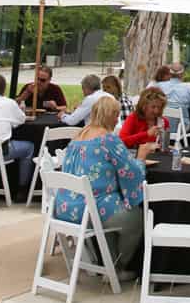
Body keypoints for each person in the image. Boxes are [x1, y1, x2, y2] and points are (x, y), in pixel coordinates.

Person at [55, 96, 148, 281]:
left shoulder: (77, 138)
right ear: (111, 114)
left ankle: (109, 265)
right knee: (135, 218)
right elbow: (131, 172)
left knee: (115, 209)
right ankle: (118, 268)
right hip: (90, 209)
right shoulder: (107, 141)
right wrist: (142, 157)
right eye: (116, 116)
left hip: (66, 206)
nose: (117, 120)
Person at [156, 62, 190, 134]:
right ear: (182, 74)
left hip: (161, 126)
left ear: (170, 74)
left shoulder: (159, 86)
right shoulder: (189, 89)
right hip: (181, 127)